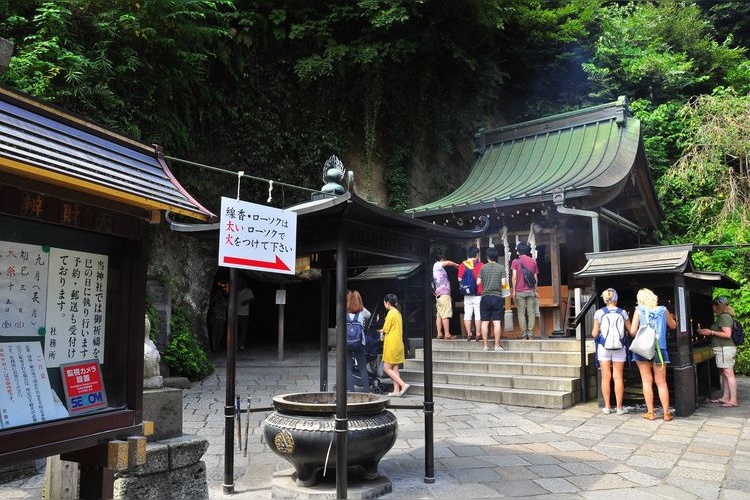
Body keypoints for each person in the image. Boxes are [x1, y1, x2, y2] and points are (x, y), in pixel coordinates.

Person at [629, 288, 677, 421]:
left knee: (646, 381)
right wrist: (673, 318)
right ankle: (666, 413)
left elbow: (633, 332)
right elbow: (673, 326)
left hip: (643, 349)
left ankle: (651, 413)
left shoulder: (639, 310)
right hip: (660, 349)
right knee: (661, 382)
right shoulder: (663, 310)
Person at [591, 288, 631, 416]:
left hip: (604, 347)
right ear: (616, 298)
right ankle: (619, 408)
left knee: (605, 377)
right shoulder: (623, 312)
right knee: (618, 377)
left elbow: (594, 333)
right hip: (619, 347)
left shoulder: (599, 312)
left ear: (604, 299)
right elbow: (631, 330)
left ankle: (607, 407)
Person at [699, 296, 739, 407]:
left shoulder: (724, 317)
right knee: (724, 374)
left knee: (728, 373)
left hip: (724, 348)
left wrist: (711, 332)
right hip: (722, 349)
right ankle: (726, 397)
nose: (712, 307)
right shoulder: (723, 316)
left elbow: (727, 334)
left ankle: (733, 400)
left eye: (714, 305)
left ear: (718, 305)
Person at [378, 293, 409, 397]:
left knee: (386, 368)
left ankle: (403, 385)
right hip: (398, 343)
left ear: (387, 303)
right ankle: (396, 391)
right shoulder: (398, 313)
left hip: (392, 344)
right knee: (395, 368)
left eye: (384, 303)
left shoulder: (391, 313)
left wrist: (380, 331)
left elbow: (386, 329)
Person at [476, 246, 506, 351]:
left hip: (485, 297)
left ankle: (485, 346)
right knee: (496, 322)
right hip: (497, 297)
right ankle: (497, 346)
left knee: (485, 322)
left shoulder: (483, 267)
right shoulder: (501, 267)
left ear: (487, 257)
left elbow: (478, 282)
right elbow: (503, 283)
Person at [511, 241, 539, 340]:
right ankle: (530, 334)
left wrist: (513, 291)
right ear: (528, 251)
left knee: (521, 313)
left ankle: (524, 334)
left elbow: (514, 277)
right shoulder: (533, 261)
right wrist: (536, 291)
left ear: (518, 251)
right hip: (531, 291)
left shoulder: (515, 262)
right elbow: (535, 277)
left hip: (519, 291)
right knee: (531, 313)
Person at [346, 290, 371, 393]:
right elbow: (369, 315)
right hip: (360, 343)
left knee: (348, 368)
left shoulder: (344, 312)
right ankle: (366, 391)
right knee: (363, 368)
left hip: (347, 343)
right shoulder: (362, 311)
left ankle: (351, 391)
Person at [458, 246, 483, 341]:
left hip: (467, 294)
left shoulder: (462, 265)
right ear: (477, 255)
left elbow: (459, 279)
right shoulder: (480, 265)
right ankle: (478, 333)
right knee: (478, 314)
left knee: (467, 314)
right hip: (478, 293)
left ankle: (469, 333)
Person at [432, 252, 459, 339]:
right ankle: (447, 334)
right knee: (445, 314)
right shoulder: (438, 265)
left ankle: (439, 333)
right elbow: (447, 263)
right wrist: (455, 265)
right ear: (442, 259)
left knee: (439, 315)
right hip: (444, 293)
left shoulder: (436, 268)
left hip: (439, 294)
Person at [209, 279, 229, 352]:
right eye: (218, 292)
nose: (219, 293)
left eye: (220, 292)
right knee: (214, 332)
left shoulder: (223, 299)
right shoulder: (213, 298)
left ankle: (217, 344)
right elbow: (212, 307)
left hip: (221, 318)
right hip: (215, 318)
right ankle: (213, 346)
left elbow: (225, 306)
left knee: (220, 333)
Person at [236, 278, 254, 350]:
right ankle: (236, 344)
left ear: (244, 283)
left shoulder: (249, 291)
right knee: (236, 330)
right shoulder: (235, 290)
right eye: (239, 282)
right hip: (236, 313)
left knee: (243, 330)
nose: (240, 284)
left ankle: (242, 344)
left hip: (245, 314)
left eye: (242, 282)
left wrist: (247, 302)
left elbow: (252, 299)